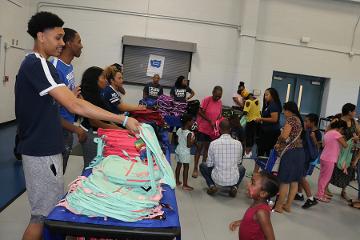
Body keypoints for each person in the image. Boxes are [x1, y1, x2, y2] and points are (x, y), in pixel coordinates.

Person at [16, 12, 139, 240]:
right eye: (58, 37)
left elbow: (64, 103)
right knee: (41, 217)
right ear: (41, 37)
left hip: (47, 148)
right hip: (40, 151)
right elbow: (74, 106)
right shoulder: (37, 64)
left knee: (48, 213)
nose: (62, 43)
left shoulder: (46, 68)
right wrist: (123, 120)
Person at [51, 27, 86, 174]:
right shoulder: (55, 67)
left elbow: (69, 96)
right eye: (79, 41)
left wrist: (75, 96)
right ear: (69, 43)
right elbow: (50, 110)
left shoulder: (69, 66)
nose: (82, 45)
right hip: (56, 131)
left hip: (66, 129)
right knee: (54, 176)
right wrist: (76, 129)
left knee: (60, 173)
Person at [80, 66, 123, 169]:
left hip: (100, 133)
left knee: (100, 166)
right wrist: (117, 128)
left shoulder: (99, 94)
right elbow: (94, 122)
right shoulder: (86, 96)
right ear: (94, 80)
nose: (106, 81)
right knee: (91, 167)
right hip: (91, 134)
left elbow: (105, 117)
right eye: (103, 78)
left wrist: (118, 128)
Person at [200, 119, 246, 197]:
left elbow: (209, 164)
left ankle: (212, 186)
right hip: (233, 178)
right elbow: (238, 162)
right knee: (242, 169)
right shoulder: (238, 144)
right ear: (230, 129)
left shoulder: (213, 144)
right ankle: (234, 187)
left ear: (219, 129)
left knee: (202, 166)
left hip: (217, 178)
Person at [273, 101, 305, 213]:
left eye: (284, 110)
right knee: (294, 180)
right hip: (300, 152)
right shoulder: (299, 120)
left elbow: (285, 136)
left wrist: (280, 137)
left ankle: (278, 206)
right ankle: (288, 206)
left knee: (284, 181)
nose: (283, 112)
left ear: (288, 110)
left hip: (290, 153)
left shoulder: (291, 120)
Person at [229, 172, 279, 240]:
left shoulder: (262, 212)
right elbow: (252, 220)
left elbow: (271, 238)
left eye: (252, 183)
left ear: (263, 193)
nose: (248, 184)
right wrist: (240, 222)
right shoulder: (256, 202)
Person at [330, 103, 360, 201]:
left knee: (348, 170)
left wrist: (356, 138)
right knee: (333, 168)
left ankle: (344, 190)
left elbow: (359, 133)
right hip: (338, 149)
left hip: (350, 150)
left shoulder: (354, 122)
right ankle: (325, 187)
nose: (355, 112)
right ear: (349, 112)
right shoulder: (338, 120)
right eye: (354, 111)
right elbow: (329, 132)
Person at [193, 86, 223, 178]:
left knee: (207, 149)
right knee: (199, 148)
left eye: (219, 96)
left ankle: (203, 166)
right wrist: (209, 120)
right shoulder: (207, 100)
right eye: (216, 96)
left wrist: (217, 121)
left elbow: (219, 114)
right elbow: (199, 112)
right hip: (203, 128)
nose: (217, 98)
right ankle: (195, 168)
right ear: (213, 92)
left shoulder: (220, 102)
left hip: (212, 130)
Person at [316, 119, 348, 202]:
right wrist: (344, 138)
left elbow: (323, 144)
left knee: (322, 177)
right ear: (341, 128)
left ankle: (320, 193)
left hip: (324, 157)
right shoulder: (336, 134)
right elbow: (345, 145)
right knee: (325, 178)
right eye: (343, 130)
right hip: (330, 159)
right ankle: (320, 195)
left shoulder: (328, 133)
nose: (343, 132)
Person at [295, 113, 322, 209]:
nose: (305, 123)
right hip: (303, 156)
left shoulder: (317, 133)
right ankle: (299, 194)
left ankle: (310, 198)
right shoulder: (307, 130)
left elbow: (318, 146)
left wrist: (313, 138)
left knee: (301, 177)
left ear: (313, 122)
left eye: (307, 121)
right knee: (299, 175)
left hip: (308, 158)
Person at [174, 114, 196, 191]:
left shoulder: (179, 129)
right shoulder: (189, 133)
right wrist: (193, 140)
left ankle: (177, 181)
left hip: (178, 150)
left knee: (178, 166)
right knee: (186, 167)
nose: (193, 122)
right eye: (192, 121)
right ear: (188, 122)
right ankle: (185, 185)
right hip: (185, 152)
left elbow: (176, 141)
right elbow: (189, 145)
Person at [243, 93, 261, 158]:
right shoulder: (257, 101)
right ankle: (252, 153)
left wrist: (244, 104)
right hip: (258, 121)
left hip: (250, 121)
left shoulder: (248, 101)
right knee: (254, 137)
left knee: (248, 137)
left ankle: (247, 153)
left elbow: (245, 112)